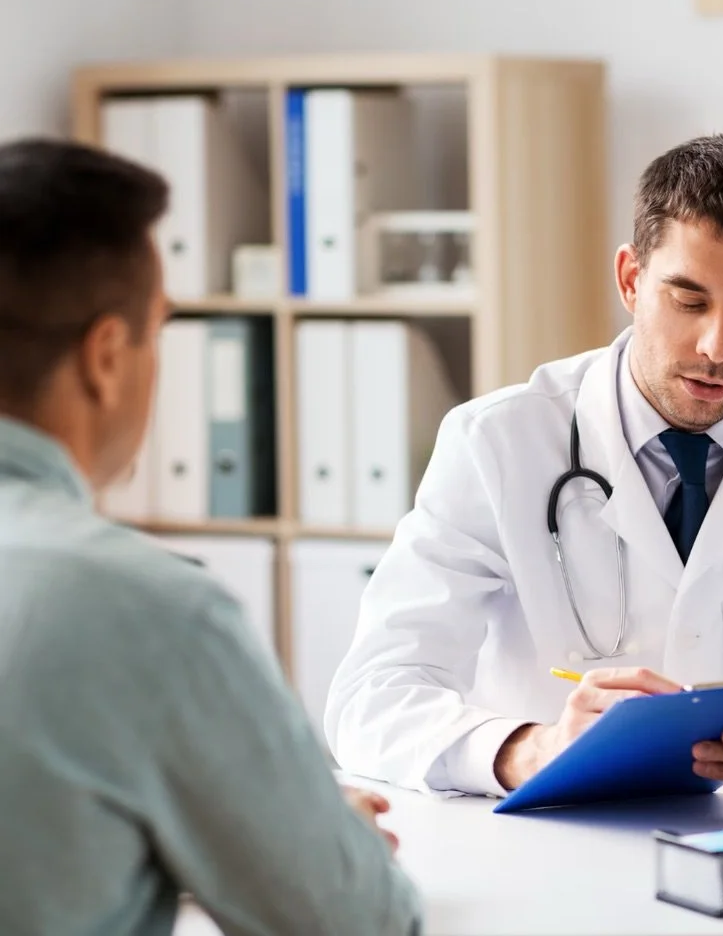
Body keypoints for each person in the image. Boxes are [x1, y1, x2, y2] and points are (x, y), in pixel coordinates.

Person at [325, 135, 723, 814]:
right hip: (561, 845)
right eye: (689, 301)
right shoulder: (498, 443)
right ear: (632, 278)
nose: (719, 347)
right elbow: (373, 696)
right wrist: (530, 750)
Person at [0, 138, 420, 936]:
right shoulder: (144, 609)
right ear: (107, 356)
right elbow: (354, 922)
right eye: (162, 329)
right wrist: (319, 836)